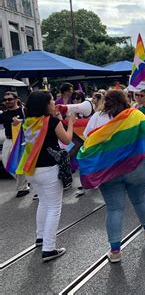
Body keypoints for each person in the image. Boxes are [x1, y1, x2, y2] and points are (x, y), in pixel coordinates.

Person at [81, 90, 145, 262]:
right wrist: (139, 150)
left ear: (105, 102)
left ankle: (115, 251)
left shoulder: (96, 118)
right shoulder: (134, 115)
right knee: (139, 199)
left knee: (114, 208)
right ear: (125, 101)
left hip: (108, 170)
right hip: (134, 166)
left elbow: (88, 140)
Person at [16, 91, 76, 262]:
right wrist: (70, 123)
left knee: (43, 202)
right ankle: (49, 249)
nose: (53, 103)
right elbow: (66, 140)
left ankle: (40, 237)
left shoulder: (27, 122)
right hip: (49, 169)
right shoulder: (53, 121)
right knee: (54, 208)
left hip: (31, 169)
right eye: (50, 101)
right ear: (45, 105)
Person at [0, 91, 29, 197]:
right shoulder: (4, 114)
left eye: (10, 99)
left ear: (16, 100)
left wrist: (20, 121)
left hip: (21, 140)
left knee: (18, 164)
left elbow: (30, 122)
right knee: (7, 164)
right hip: (8, 140)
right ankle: (24, 180)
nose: (7, 101)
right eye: (5, 100)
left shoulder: (23, 111)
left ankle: (23, 187)